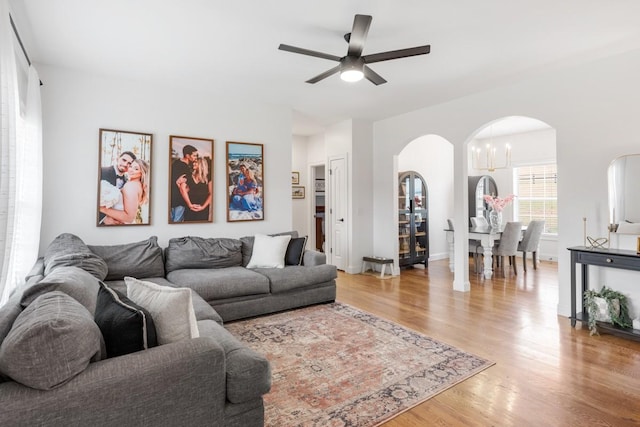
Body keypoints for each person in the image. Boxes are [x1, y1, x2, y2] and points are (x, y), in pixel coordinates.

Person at [99, 159, 149, 225]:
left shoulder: (131, 186)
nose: (131, 170)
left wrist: (101, 208)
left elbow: (129, 217)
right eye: (131, 166)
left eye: (136, 169)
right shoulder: (136, 184)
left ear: (142, 173)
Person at [99, 151, 136, 222]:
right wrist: (103, 219)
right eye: (124, 160)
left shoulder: (127, 183)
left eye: (129, 163)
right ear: (118, 158)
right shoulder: (101, 171)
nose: (125, 164)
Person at [171, 145, 198, 222]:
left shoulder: (175, 163)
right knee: (177, 223)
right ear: (187, 155)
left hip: (172, 200)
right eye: (194, 155)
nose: (195, 157)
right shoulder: (184, 168)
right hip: (180, 200)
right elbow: (184, 188)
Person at [184, 157, 212, 222]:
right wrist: (189, 205)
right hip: (189, 208)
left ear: (201, 164)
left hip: (202, 209)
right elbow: (183, 191)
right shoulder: (189, 176)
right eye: (193, 162)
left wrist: (203, 207)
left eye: (195, 162)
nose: (193, 163)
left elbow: (211, 194)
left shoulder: (208, 178)